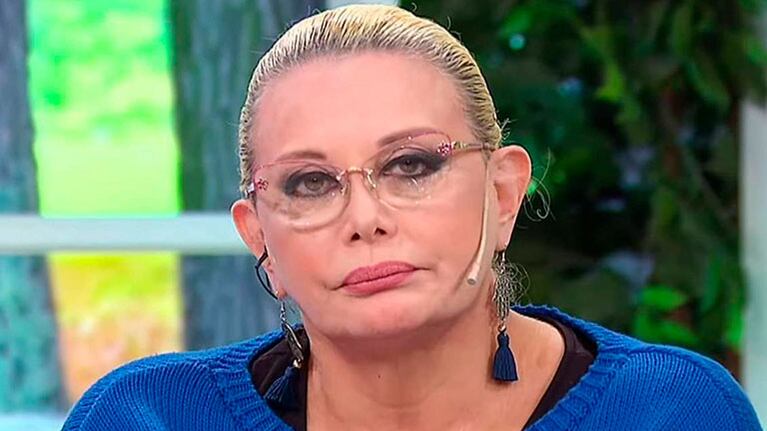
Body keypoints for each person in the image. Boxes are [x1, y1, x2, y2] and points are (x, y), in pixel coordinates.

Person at [62, 4, 761, 430]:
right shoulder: (144, 418)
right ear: (259, 238)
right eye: (310, 183)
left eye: (411, 165)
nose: (365, 218)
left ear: (502, 194)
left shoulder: (671, 411)